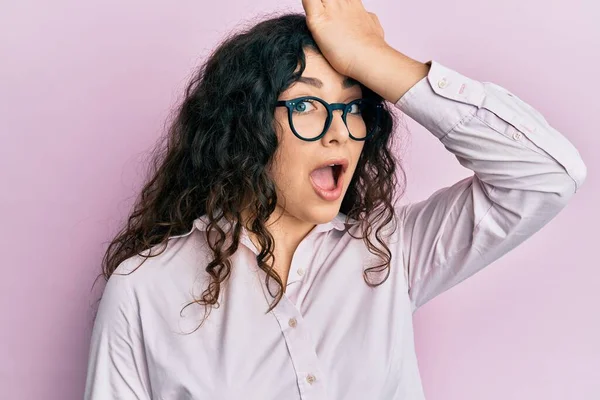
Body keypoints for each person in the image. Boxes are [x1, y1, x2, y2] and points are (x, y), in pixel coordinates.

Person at [83, 1, 587, 399]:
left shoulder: (391, 252)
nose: (339, 133)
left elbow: (547, 176)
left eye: (353, 106)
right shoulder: (146, 290)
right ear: (247, 124)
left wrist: (378, 60)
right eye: (306, 103)